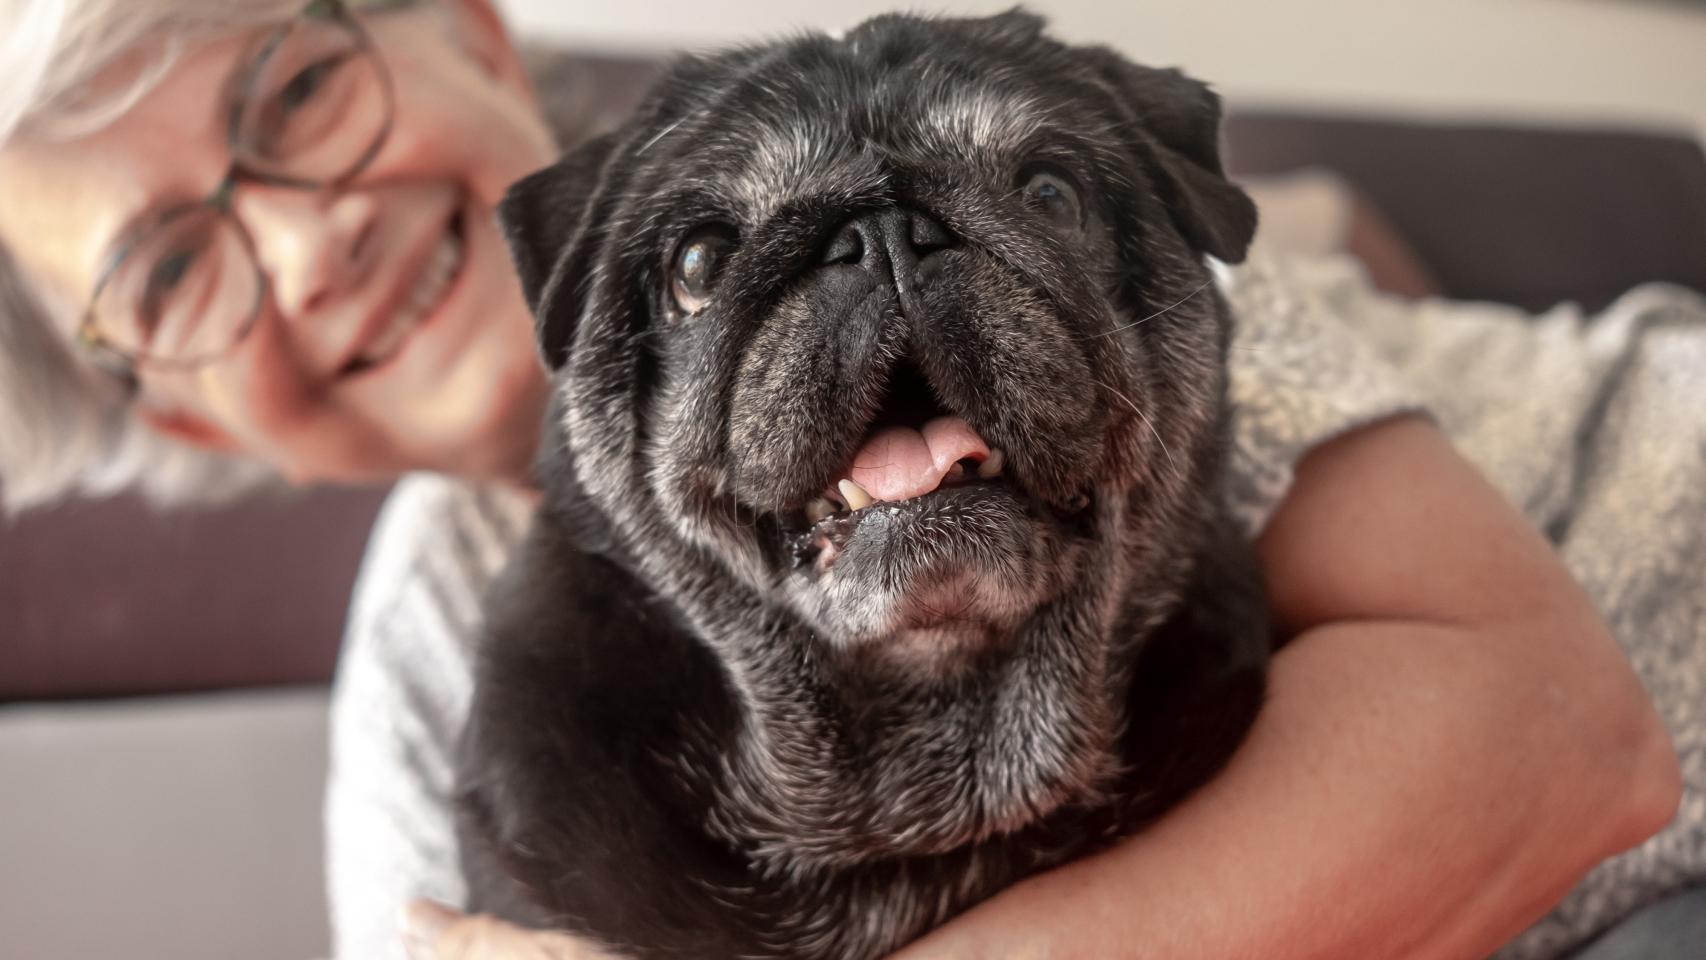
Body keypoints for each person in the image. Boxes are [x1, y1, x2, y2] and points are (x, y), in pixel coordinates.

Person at [0, 2, 1691, 959]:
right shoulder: (433, 660)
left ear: (468, 38)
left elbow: (1555, 739)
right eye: (167, 274)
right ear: (194, 424)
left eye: (293, 90)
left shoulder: (1092, 260)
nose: (305, 241)